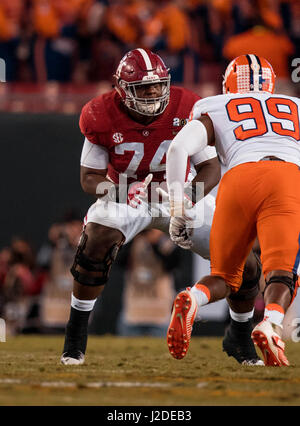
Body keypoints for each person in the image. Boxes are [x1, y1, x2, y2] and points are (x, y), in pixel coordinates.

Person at [61, 48, 262, 366]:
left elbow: (210, 168)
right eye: (143, 87)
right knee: (95, 240)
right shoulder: (99, 114)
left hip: (179, 194)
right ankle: (75, 336)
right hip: (129, 195)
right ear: (122, 90)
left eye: (158, 85)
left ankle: (239, 336)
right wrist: (117, 190)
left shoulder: (187, 106)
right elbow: (90, 178)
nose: (153, 93)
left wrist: (188, 199)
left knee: (246, 261)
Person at [165, 54, 300, 366]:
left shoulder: (213, 106)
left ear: (227, 84)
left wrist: (177, 205)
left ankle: (193, 298)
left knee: (225, 277)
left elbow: (177, 149)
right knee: (282, 271)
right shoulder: (293, 106)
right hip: (286, 178)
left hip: (237, 180)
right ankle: (271, 325)